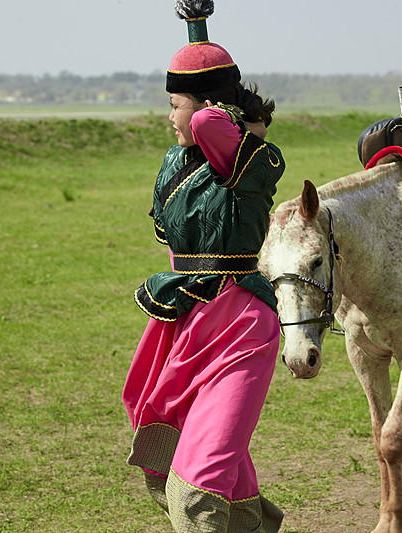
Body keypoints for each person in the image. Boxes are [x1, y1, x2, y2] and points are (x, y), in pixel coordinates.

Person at [122, 1, 285, 531]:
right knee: (196, 464)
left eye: (175, 105)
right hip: (188, 323)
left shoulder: (248, 160)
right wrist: (196, 31)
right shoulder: (180, 162)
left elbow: (213, 120)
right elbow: (205, 116)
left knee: (196, 485)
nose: (170, 117)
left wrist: (216, 98)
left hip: (240, 329)